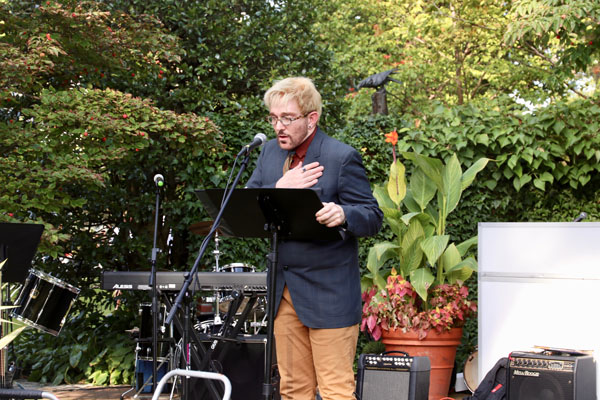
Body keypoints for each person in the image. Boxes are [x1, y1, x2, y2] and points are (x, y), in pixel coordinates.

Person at [246, 77, 383, 400]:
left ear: (311, 119)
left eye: (287, 118)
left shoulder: (340, 157)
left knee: (335, 391)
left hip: (329, 293)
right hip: (284, 293)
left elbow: (372, 216)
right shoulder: (268, 154)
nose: (278, 127)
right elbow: (249, 203)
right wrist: (279, 188)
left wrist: (344, 213)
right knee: (293, 389)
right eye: (273, 118)